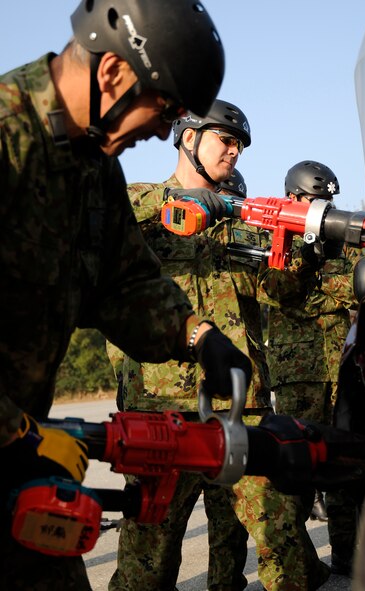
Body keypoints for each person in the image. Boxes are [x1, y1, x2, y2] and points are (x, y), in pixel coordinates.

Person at [0, 2, 254, 590]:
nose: (166, 132)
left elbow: (124, 281)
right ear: (113, 73)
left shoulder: (92, 167)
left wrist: (198, 336)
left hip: (23, 467)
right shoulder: (10, 143)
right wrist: (16, 435)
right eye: (166, 110)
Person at [107, 103, 330, 591]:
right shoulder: (137, 204)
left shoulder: (242, 223)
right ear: (188, 139)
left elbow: (282, 293)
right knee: (147, 561)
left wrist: (309, 255)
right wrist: (181, 204)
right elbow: (101, 232)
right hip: (160, 408)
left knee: (282, 539)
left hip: (238, 407)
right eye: (225, 139)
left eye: (240, 144)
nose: (235, 150)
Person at [258, 160, 365, 577]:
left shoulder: (345, 240)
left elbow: (363, 287)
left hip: (340, 368)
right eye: (317, 199)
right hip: (297, 372)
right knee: (295, 469)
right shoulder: (277, 238)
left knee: (343, 461)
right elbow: (280, 293)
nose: (325, 207)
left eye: (328, 200)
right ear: (295, 199)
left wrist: (332, 289)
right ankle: (298, 562)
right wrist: (335, 287)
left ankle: (346, 553)